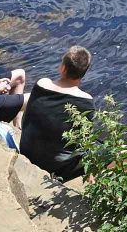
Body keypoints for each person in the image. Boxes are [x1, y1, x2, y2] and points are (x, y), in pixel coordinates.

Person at [18, 46, 96, 180]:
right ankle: (94, 182)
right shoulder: (86, 102)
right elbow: (84, 142)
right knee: (126, 152)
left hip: (27, 153)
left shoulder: (42, 84)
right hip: (57, 167)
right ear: (83, 73)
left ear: (63, 68)